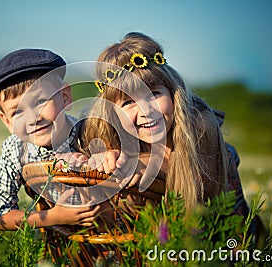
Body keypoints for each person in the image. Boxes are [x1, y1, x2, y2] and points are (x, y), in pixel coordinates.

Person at [80, 32, 253, 220]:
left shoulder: (201, 124)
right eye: (128, 102)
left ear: (172, 93)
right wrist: (106, 156)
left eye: (154, 94)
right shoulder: (104, 130)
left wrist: (147, 162)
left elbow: (193, 182)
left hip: (219, 236)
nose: (146, 111)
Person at [0, 48, 98, 230]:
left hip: (112, 236)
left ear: (65, 97)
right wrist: (52, 217)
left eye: (41, 101)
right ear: (7, 122)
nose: (34, 118)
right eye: (18, 112)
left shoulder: (88, 132)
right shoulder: (16, 149)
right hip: (59, 244)